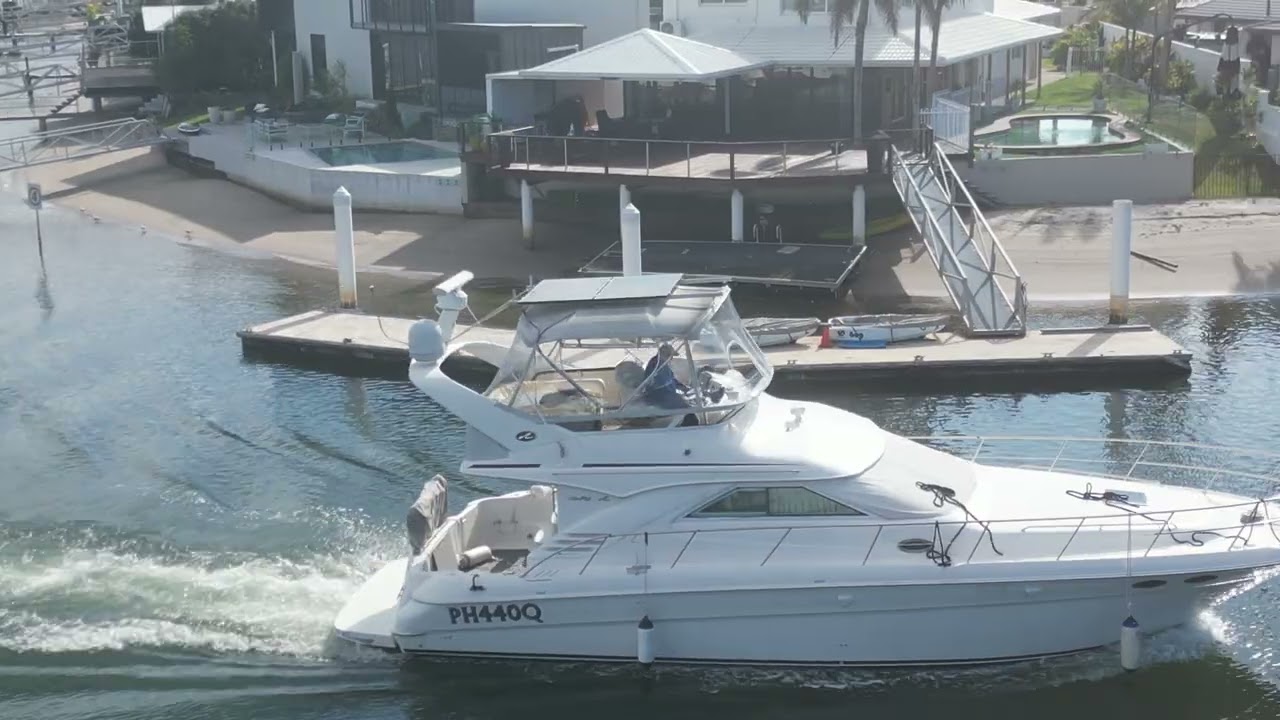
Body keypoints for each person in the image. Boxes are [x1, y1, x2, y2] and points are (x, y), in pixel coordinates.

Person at [642, 343, 690, 410]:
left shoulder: (663, 364)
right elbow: (661, 384)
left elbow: (671, 379)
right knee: (687, 408)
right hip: (658, 397)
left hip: (666, 396)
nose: (671, 358)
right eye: (670, 356)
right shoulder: (656, 364)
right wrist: (676, 395)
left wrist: (683, 387)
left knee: (685, 402)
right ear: (665, 354)